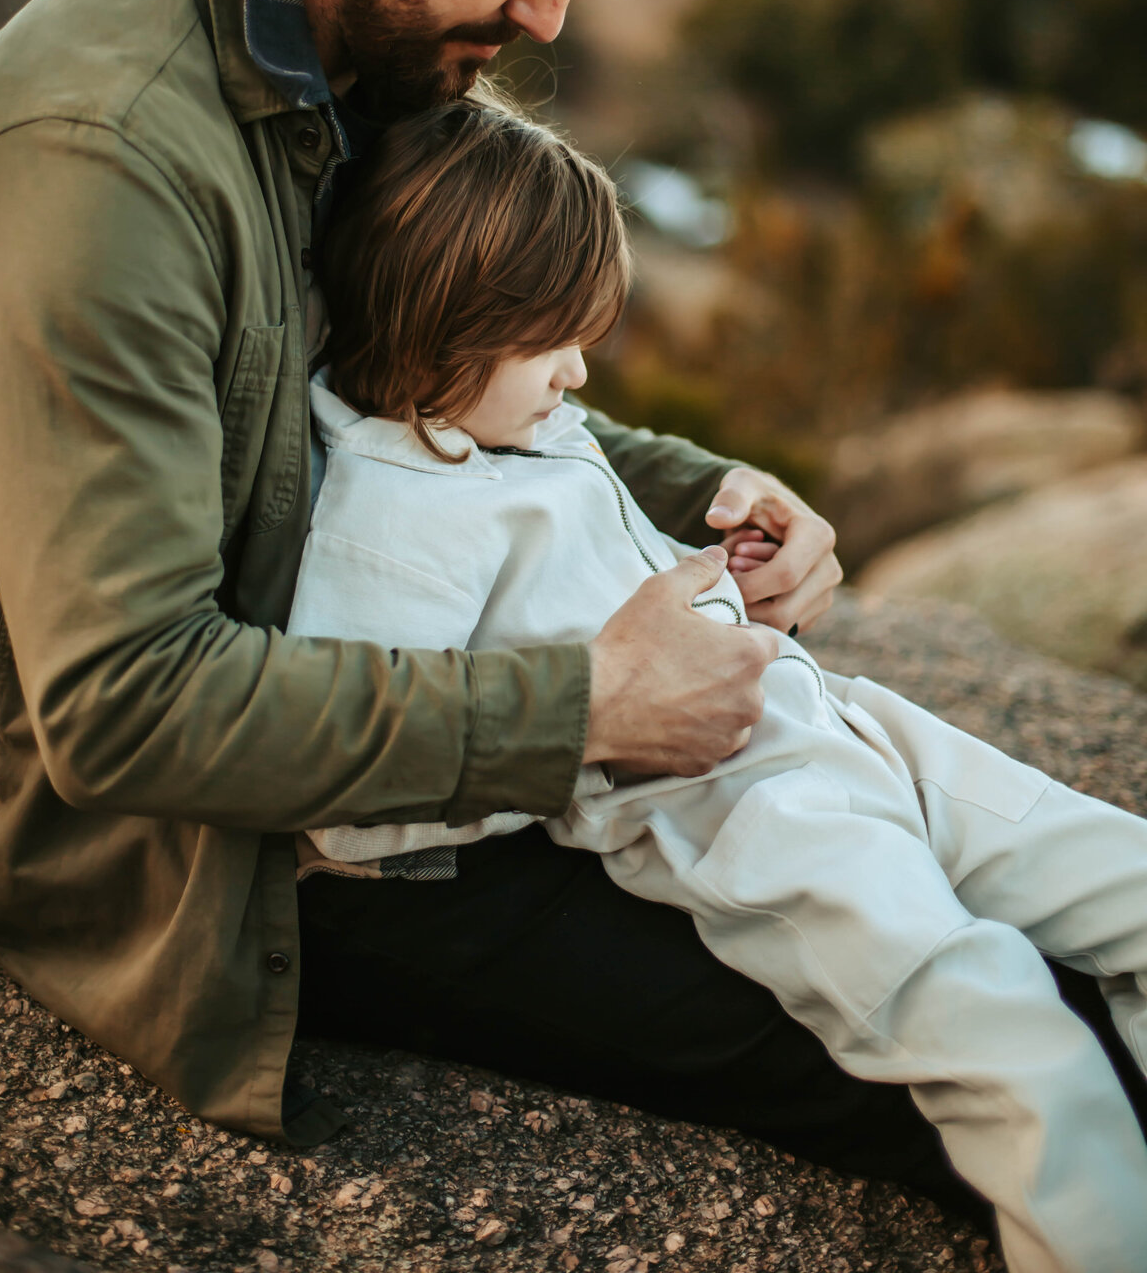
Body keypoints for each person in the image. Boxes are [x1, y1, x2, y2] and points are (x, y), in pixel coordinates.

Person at [0, 0, 1088, 1219]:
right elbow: (125, 707)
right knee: (963, 1041)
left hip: (407, 704)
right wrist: (588, 709)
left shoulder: (347, 41)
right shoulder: (102, 163)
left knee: (1034, 918)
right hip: (234, 859)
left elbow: (404, 378)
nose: (553, 18)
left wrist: (705, 493)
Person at [290, 97, 1147, 1273]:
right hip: (754, 821)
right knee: (999, 1034)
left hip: (849, 727)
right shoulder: (385, 515)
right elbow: (359, 813)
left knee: (1124, 878)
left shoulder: (502, 416)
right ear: (447, 325)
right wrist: (587, 741)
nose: (581, 369)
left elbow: (588, 537)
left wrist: (718, 554)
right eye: (554, 343)